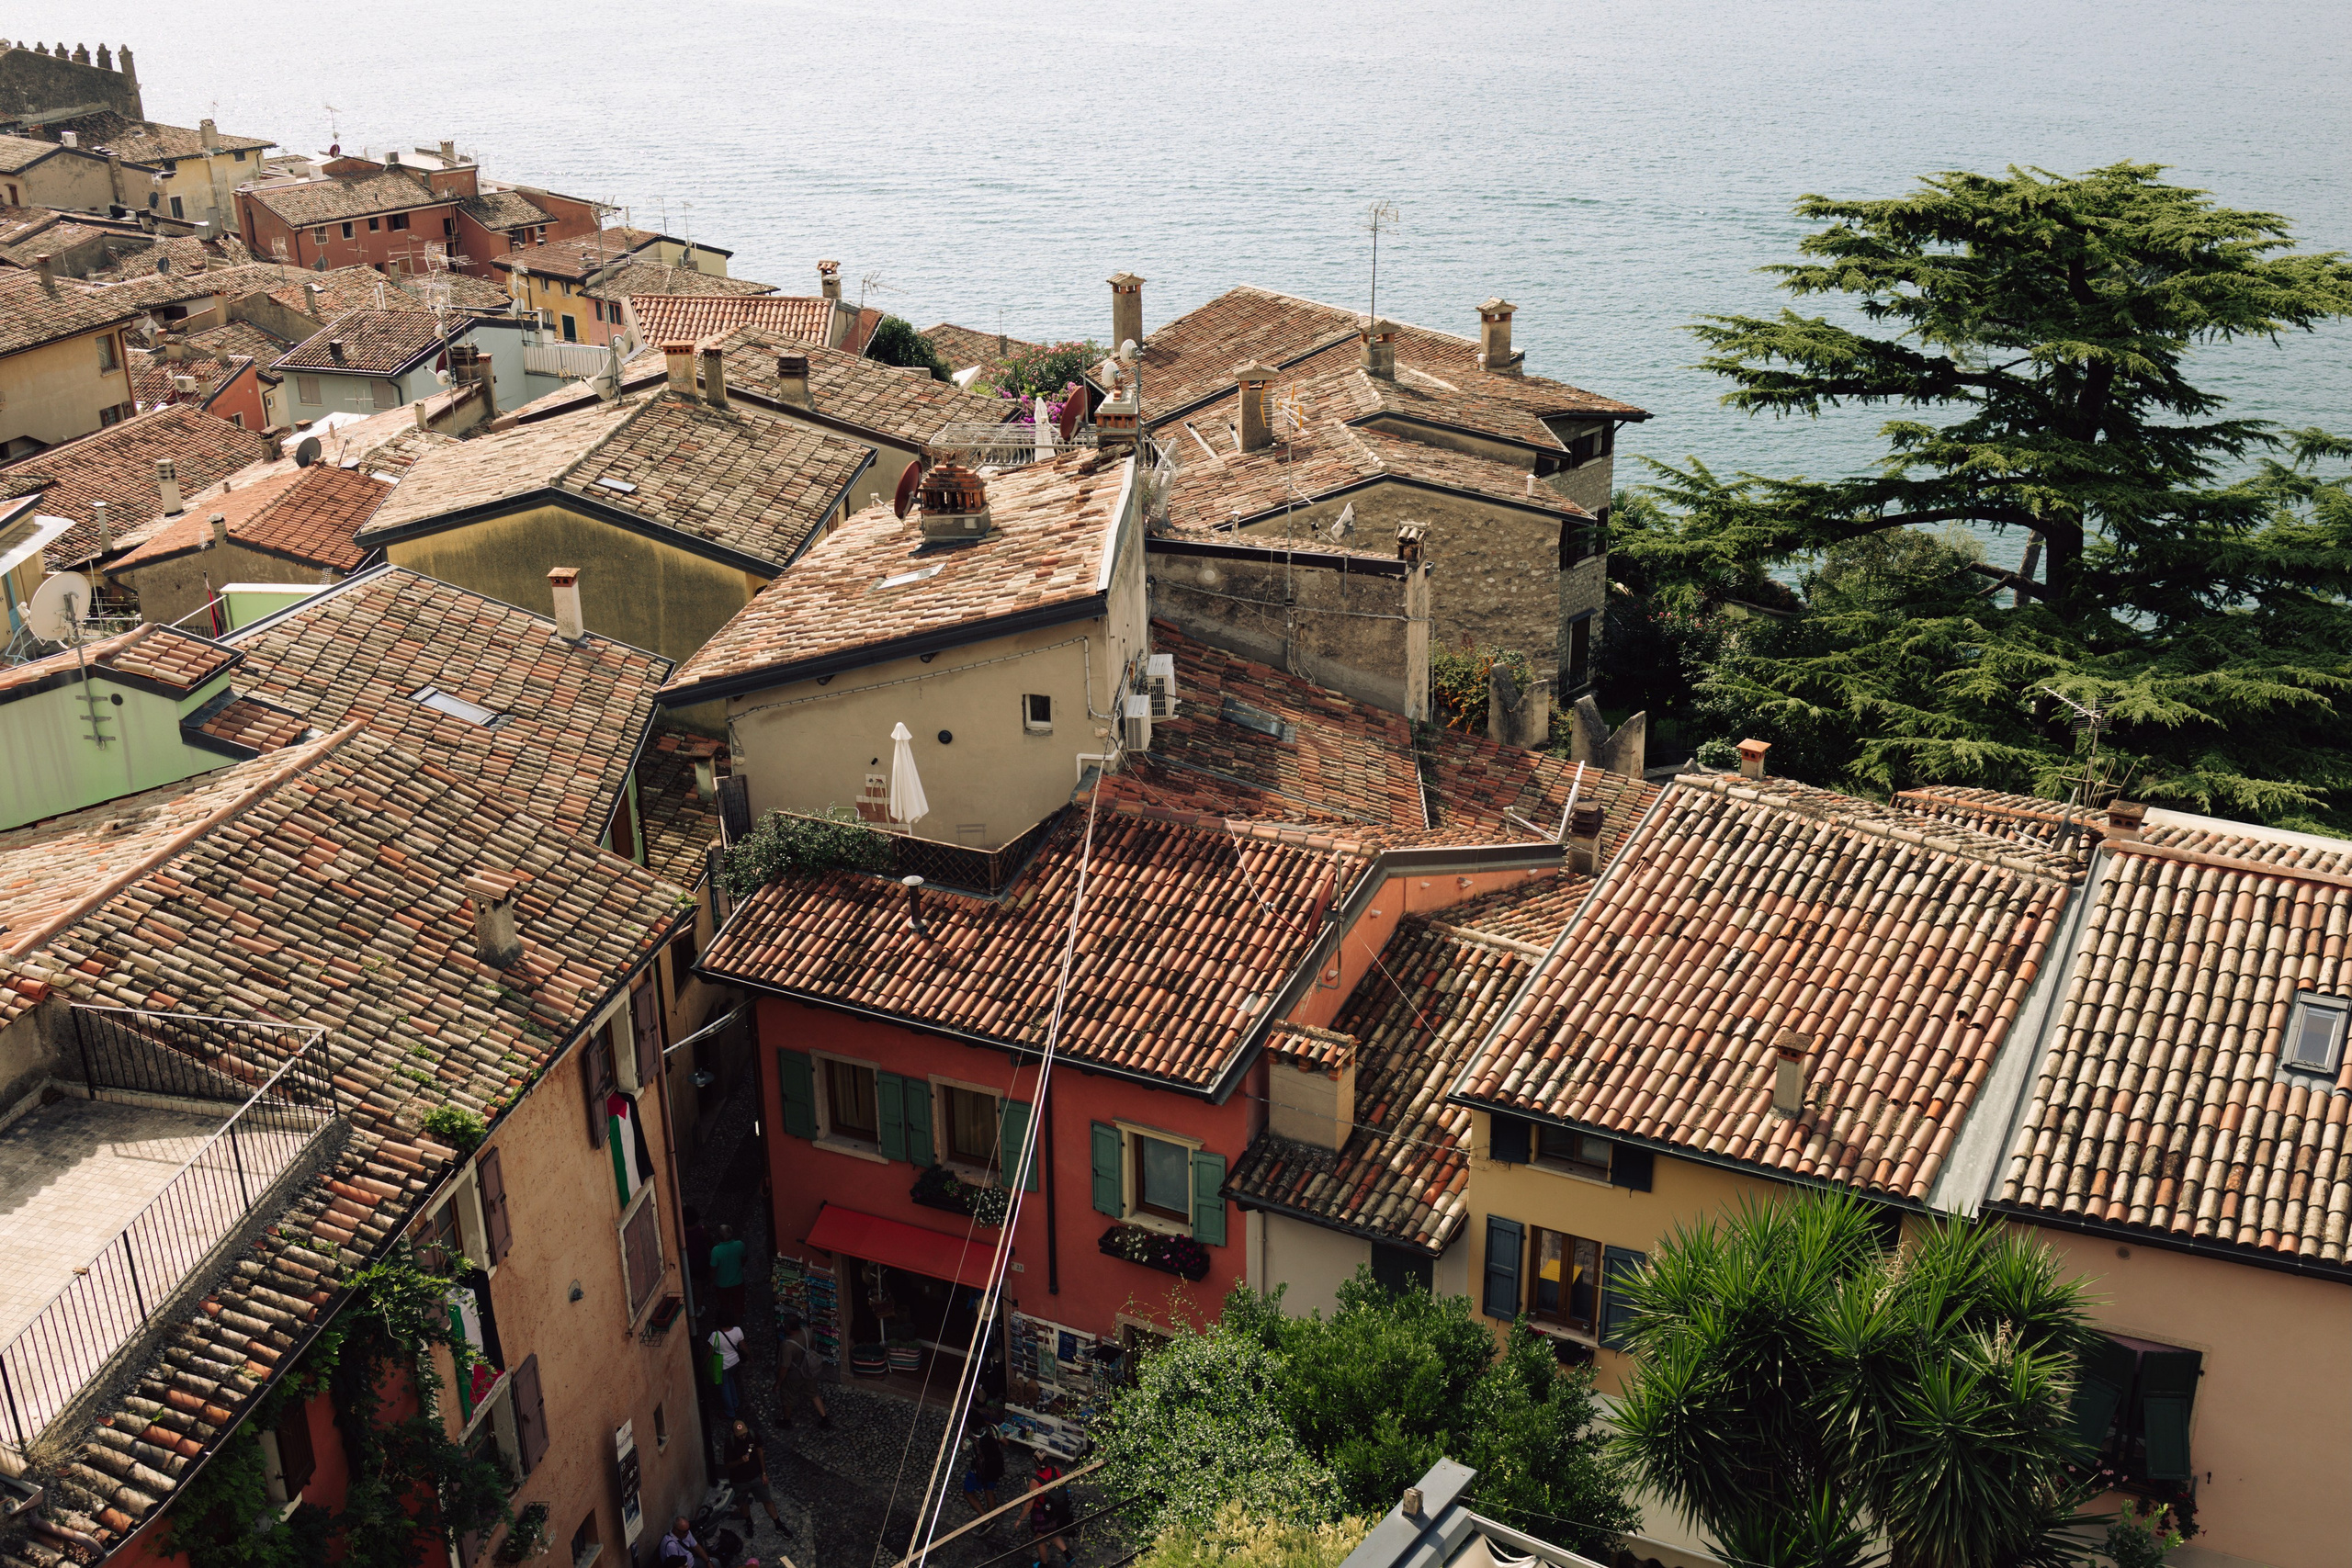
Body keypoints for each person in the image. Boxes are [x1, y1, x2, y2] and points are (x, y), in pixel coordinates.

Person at [724, 1418, 791, 1539]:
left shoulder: (753, 1435)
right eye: (740, 1435)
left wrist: (764, 1473)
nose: (743, 1437)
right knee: (743, 1503)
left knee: (767, 1500)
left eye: (744, 1434)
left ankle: (778, 1525)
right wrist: (740, 1461)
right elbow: (728, 1465)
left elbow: (760, 1453)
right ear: (734, 1433)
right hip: (739, 1480)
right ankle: (748, 1523)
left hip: (756, 1476)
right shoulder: (730, 1442)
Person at [773, 1313, 833, 1429]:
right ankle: (824, 1418)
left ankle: (787, 1421)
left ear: (788, 1327)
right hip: (809, 1370)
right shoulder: (807, 1332)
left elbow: (784, 1367)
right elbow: (812, 1346)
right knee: (814, 1393)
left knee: (788, 1396)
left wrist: (778, 1383)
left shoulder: (787, 1345)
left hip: (795, 1375)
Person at [1027, 1463, 1077, 1568]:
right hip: (1055, 1509)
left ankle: (1044, 1564)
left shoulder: (1035, 1481)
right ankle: (1068, 1556)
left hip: (1041, 1512)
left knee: (1040, 1538)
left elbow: (1029, 1503)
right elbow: (1063, 1484)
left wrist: (1020, 1518)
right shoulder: (1056, 1469)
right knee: (1052, 1532)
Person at [961, 1418, 1005, 1522]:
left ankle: (986, 1519)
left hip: (979, 1471)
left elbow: (962, 1448)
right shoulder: (993, 1429)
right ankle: (991, 1517)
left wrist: (965, 1434)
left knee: (967, 1492)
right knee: (989, 1491)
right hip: (995, 1468)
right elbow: (1006, 1442)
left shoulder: (970, 1439)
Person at [709, 1224, 748, 1328]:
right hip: (738, 1282)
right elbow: (744, 1259)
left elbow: (713, 1268)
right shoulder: (740, 1245)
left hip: (721, 1284)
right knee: (738, 1305)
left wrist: (712, 1282)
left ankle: (726, 1326)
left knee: (724, 1305)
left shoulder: (716, 1251)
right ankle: (738, 1325)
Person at [710, 1320, 747, 1419]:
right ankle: (735, 1403)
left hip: (723, 1365)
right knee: (731, 1380)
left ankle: (730, 1411)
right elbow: (743, 1346)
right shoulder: (737, 1330)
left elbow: (709, 1352)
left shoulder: (715, 1335)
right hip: (734, 1362)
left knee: (724, 1386)